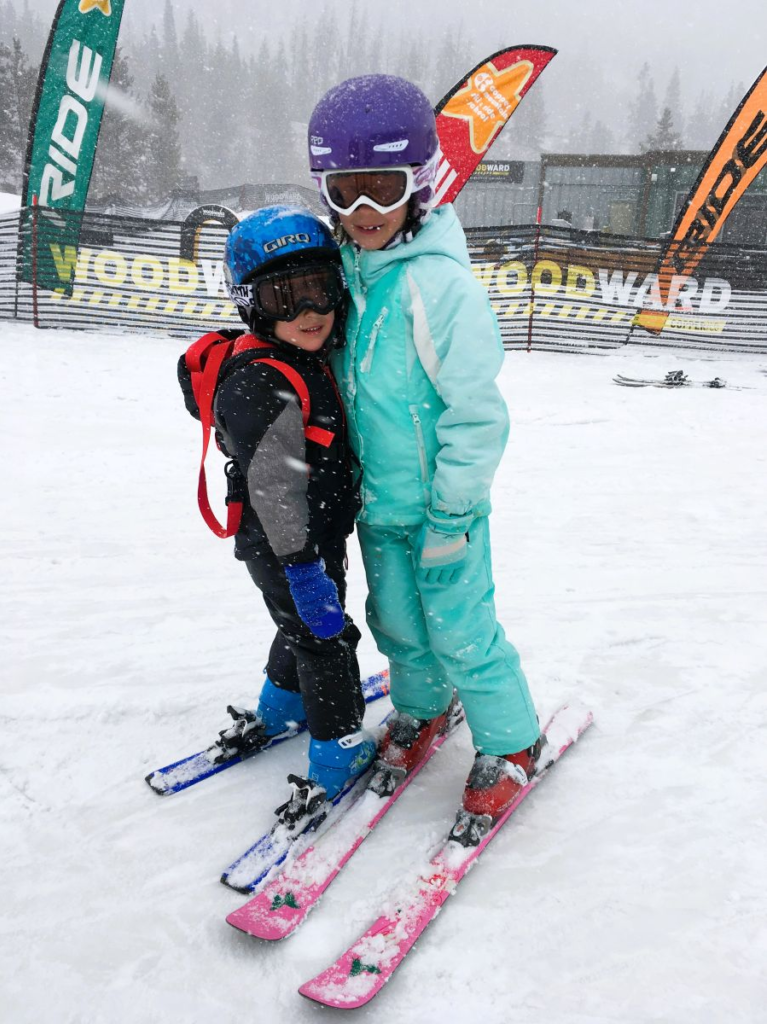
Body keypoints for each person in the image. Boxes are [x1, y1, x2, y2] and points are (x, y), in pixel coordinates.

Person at [307, 75, 541, 823]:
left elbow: (476, 415)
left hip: (445, 510)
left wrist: (453, 509)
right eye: (346, 192)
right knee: (398, 623)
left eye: (382, 189)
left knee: (464, 628)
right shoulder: (346, 277)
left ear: (423, 185)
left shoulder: (443, 290)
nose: (365, 212)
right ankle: (422, 706)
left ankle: (510, 738)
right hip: (378, 505)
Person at [177, 205, 376, 804]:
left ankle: (281, 703)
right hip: (290, 544)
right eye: (283, 295)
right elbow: (273, 488)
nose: (308, 312)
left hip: (301, 541)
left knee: (299, 628)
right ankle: (338, 748)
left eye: (318, 290)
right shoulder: (263, 380)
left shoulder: (293, 359)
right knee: (326, 637)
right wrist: (303, 567)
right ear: (251, 303)